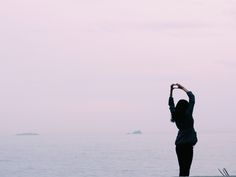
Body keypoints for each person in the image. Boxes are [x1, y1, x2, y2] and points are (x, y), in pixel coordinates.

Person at [168, 83, 198, 176]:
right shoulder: (187, 115)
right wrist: (182, 88)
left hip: (179, 146)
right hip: (188, 146)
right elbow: (192, 98)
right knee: (186, 169)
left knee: (182, 169)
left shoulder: (176, 115)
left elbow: (171, 105)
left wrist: (171, 90)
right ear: (186, 107)